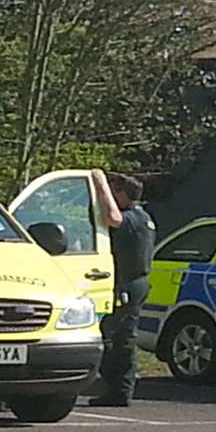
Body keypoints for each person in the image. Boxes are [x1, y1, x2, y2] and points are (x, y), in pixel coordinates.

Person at [90, 170, 154, 407]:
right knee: (124, 337)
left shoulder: (131, 217)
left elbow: (112, 219)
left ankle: (116, 388)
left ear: (122, 194)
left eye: (114, 192)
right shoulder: (142, 215)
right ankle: (120, 391)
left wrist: (98, 183)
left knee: (111, 337)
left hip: (128, 284)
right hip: (135, 282)